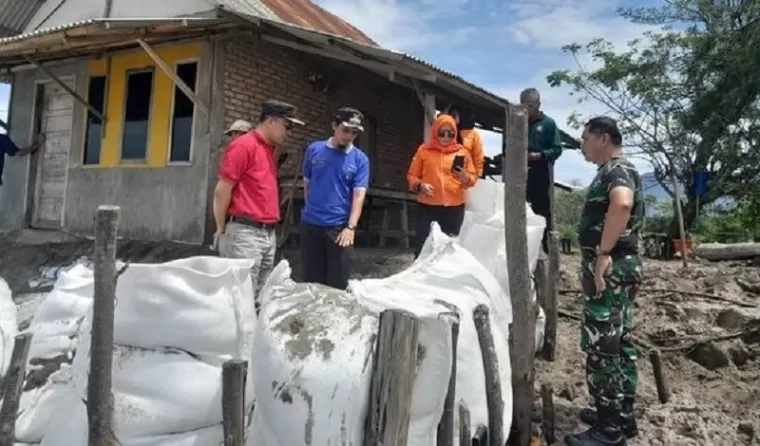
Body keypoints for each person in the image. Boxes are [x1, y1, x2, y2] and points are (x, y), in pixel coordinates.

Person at [566, 117, 644, 446]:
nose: (582, 146)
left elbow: (622, 202)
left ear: (602, 137)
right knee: (621, 342)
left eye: (585, 139)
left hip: (610, 271)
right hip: (623, 268)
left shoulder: (616, 170)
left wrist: (602, 254)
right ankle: (621, 416)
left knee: (602, 348)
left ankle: (608, 431)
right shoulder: (618, 168)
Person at [213, 99, 304, 308]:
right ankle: (234, 339)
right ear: (270, 120)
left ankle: (250, 338)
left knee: (259, 298)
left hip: (266, 234)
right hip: (246, 232)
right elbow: (222, 190)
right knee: (240, 297)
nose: (288, 132)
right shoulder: (244, 145)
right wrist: (220, 228)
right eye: (286, 125)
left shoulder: (267, 150)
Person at [300, 107, 370, 290]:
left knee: (337, 284)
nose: (349, 136)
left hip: (339, 230)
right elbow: (307, 184)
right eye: (345, 130)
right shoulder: (314, 150)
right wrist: (311, 211)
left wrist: (351, 227)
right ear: (334, 126)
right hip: (311, 226)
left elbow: (359, 195)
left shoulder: (360, 159)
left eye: (354, 133)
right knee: (311, 282)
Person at [407, 114, 477, 258]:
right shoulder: (424, 150)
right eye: (441, 133)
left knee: (450, 246)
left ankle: (445, 278)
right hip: (428, 206)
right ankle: (419, 277)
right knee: (424, 244)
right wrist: (420, 185)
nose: (446, 137)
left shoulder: (462, 152)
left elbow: (472, 179)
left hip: (454, 207)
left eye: (450, 133)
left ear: (455, 134)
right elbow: (411, 176)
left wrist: (465, 176)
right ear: (435, 132)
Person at [521, 88, 563, 252]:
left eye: (530, 106)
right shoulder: (518, 121)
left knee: (541, 209)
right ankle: (522, 246)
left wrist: (539, 155)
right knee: (519, 207)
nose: (526, 109)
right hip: (519, 171)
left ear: (538, 104)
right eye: (523, 106)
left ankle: (545, 248)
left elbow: (557, 149)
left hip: (540, 170)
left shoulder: (548, 123)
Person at [449, 106, 485, 178]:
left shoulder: (474, 134)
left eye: (454, 115)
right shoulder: (448, 132)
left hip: (466, 175)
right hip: (449, 175)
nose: (451, 118)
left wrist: (477, 175)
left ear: (462, 115)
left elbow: (478, 157)